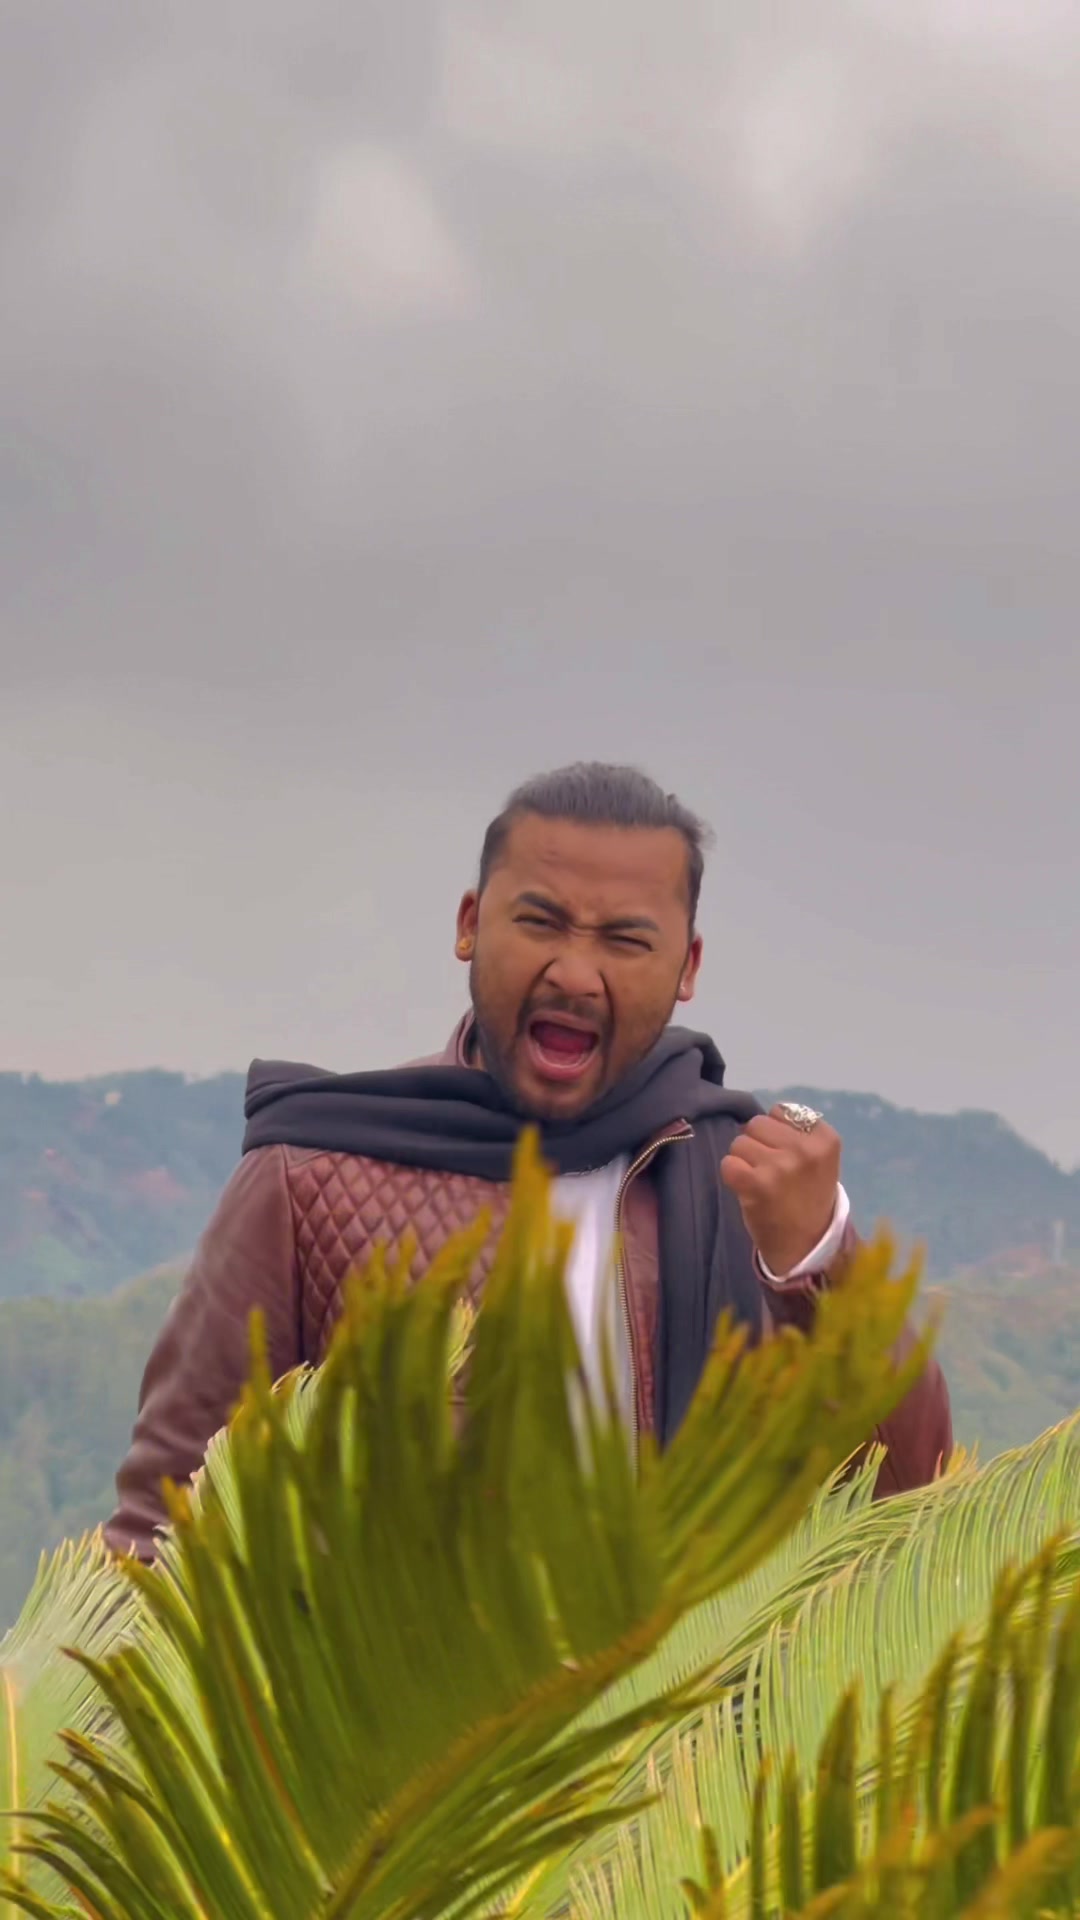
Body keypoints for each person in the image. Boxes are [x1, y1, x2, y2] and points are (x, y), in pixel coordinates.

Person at [106, 763, 951, 1561]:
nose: (575, 974)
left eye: (625, 940)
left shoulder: (746, 1190)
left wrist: (819, 1260)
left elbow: (912, 1515)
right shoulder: (314, 1175)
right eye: (540, 923)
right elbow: (164, 1528)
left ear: (687, 967)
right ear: (469, 925)